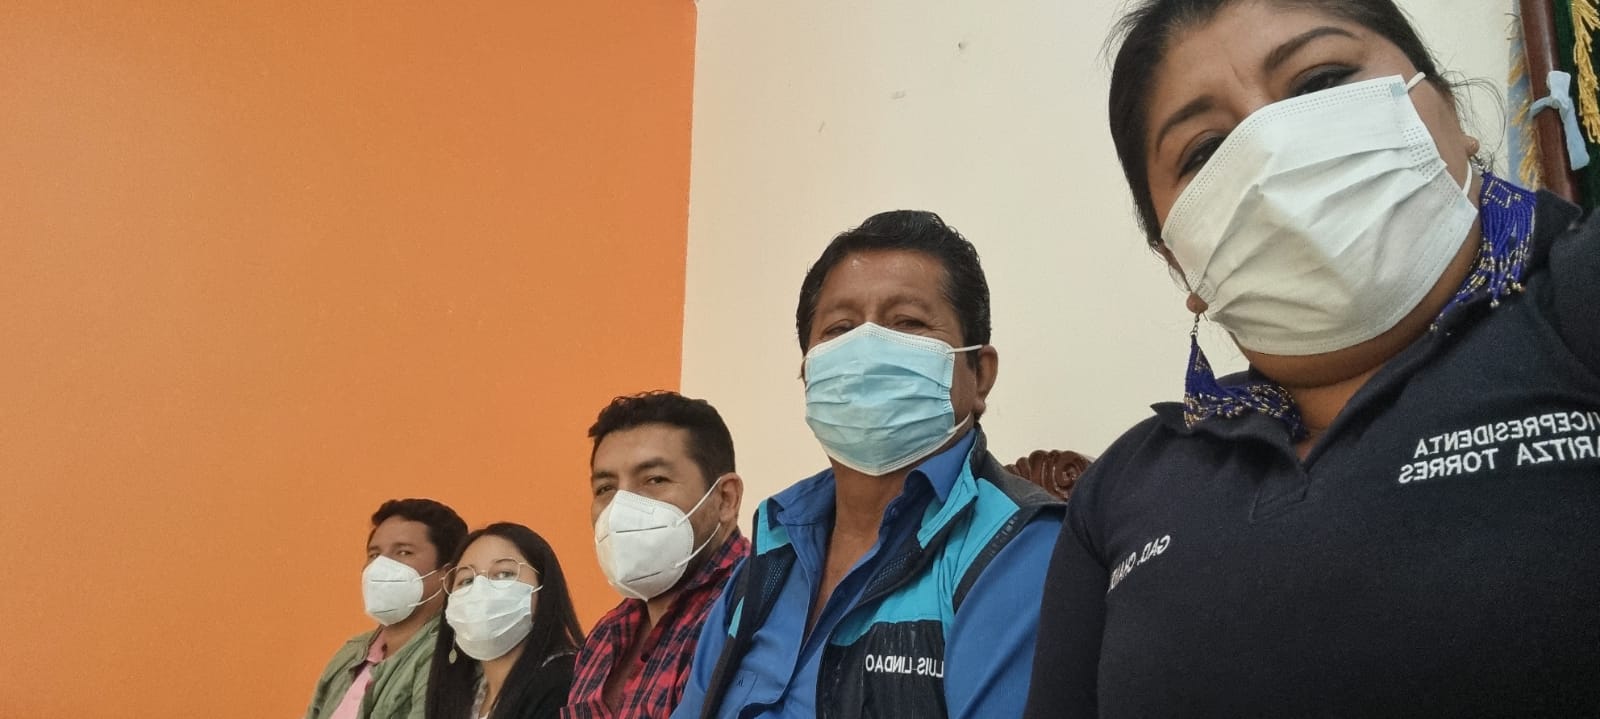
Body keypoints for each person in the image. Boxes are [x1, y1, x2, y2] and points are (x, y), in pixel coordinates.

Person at [1023, 1, 1600, 716]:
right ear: (1179, 263)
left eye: (1320, 81)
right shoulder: (1119, 489)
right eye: (1205, 151)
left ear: (1450, 112)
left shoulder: (1576, 306)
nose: (1271, 152)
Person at [673, 210, 1064, 719]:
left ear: (979, 374)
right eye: (840, 329)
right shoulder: (771, 553)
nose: (866, 352)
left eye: (908, 323)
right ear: (808, 374)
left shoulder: (1015, 547)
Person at [565, 391, 749, 719]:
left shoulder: (756, 613)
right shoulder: (606, 635)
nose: (621, 508)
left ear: (725, 499)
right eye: (605, 488)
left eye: (654, 479)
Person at [307, 499, 469, 719]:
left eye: (403, 552)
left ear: (447, 574)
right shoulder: (352, 652)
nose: (380, 565)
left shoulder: (449, 654)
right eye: (374, 554)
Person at [426, 522, 585, 719]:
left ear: (543, 588)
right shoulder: (463, 689)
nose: (480, 590)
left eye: (504, 574)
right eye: (467, 580)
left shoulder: (565, 685)